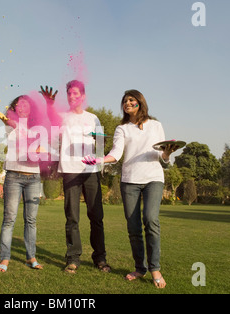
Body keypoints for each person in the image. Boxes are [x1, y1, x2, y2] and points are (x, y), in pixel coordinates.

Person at [83, 89, 180, 288]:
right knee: (133, 227)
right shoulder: (122, 128)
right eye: (125, 101)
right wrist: (99, 159)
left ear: (139, 102)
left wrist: (168, 154)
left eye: (131, 100)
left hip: (153, 178)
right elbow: (116, 154)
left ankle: (154, 268)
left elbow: (163, 156)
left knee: (151, 220)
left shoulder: (155, 125)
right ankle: (140, 268)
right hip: (130, 181)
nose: (127, 103)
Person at [41, 81, 110, 274]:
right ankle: (73, 258)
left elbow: (101, 143)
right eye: (69, 94)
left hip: (91, 172)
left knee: (96, 217)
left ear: (83, 96)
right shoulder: (62, 116)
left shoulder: (93, 118)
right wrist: (49, 104)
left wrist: (100, 163)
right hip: (70, 171)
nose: (72, 97)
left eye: (76, 93)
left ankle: (100, 258)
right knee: (72, 217)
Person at [0, 95, 43, 272]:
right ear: (14, 108)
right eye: (18, 104)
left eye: (25, 104)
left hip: (34, 177)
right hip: (13, 176)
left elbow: (42, 149)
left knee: (31, 220)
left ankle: (31, 257)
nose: (21, 107)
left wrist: (39, 150)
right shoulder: (8, 125)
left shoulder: (39, 128)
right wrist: (8, 120)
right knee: (9, 219)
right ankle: (5, 258)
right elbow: (11, 126)